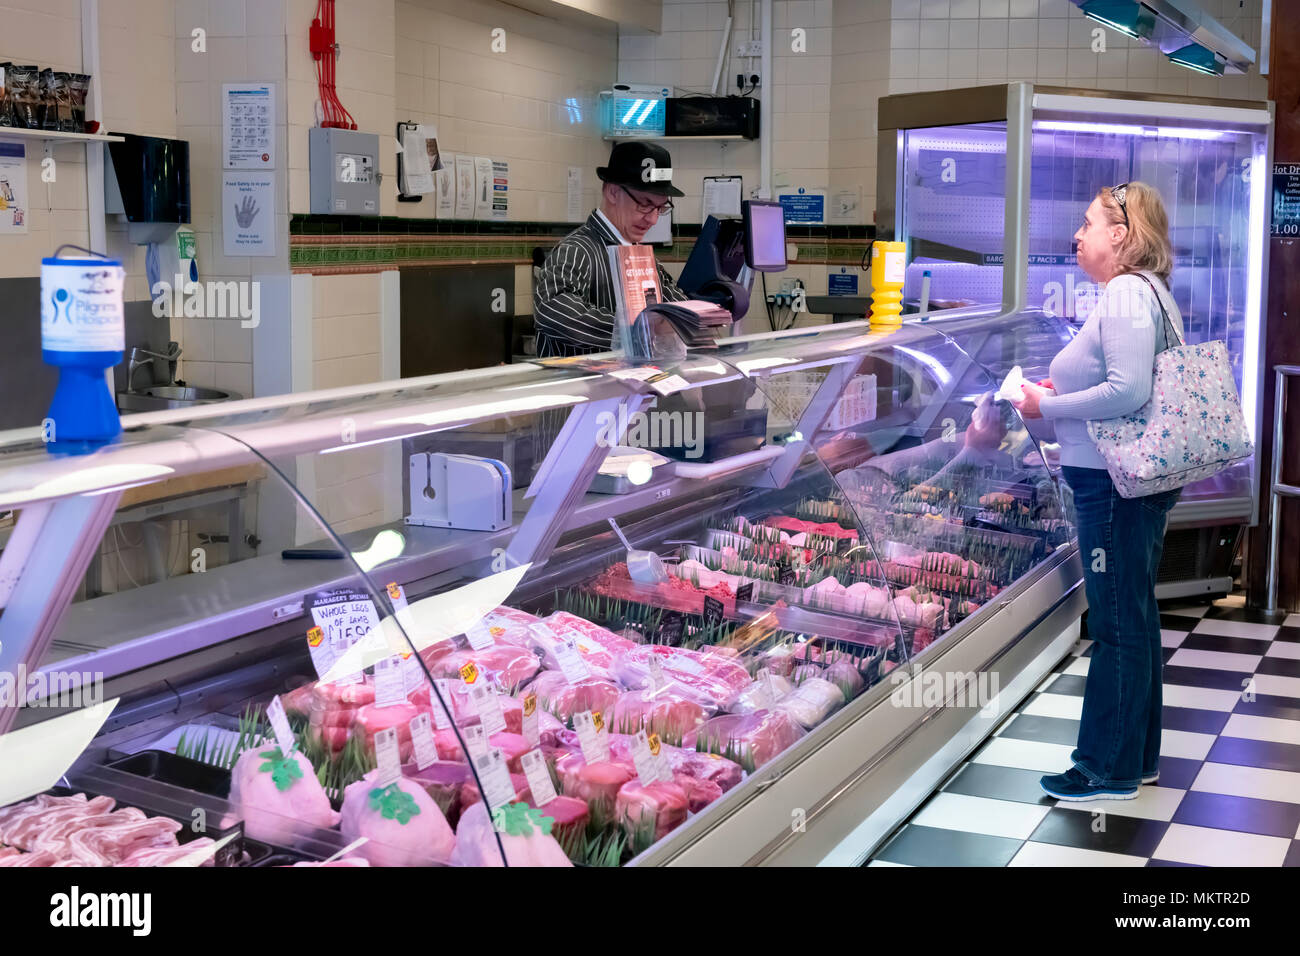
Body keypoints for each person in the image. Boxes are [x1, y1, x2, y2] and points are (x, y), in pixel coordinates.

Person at [1016, 182, 1185, 801]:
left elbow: (1127, 390)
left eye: (1088, 223)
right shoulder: (1145, 294)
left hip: (1115, 485)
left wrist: (1049, 404)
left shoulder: (1124, 294)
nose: (1077, 235)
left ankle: (1102, 769)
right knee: (1134, 617)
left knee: (1115, 623)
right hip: (1125, 480)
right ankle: (1135, 758)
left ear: (1121, 234)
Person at [533, 141, 688, 358]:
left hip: (635, 389)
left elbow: (681, 308)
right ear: (613, 192)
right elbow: (552, 312)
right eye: (644, 204)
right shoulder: (576, 251)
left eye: (660, 208)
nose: (653, 219)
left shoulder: (644, 259)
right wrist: (634, 331)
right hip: (583, 390)